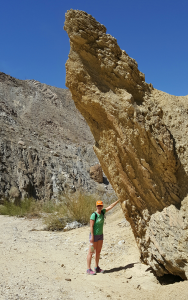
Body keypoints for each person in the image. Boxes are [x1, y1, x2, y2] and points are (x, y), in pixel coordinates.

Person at [86, 199, 120, 275]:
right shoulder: (94, 215)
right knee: (91, 252)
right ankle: (88, 269)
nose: (99, 207)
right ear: (96, 206)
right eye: (98, 205)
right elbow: (91, 226)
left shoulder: (103, 212)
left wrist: (118, 200)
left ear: (102, 206)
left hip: (100, 235)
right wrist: (92, 237)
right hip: (93, 236)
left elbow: (111, 206)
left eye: (100, 205)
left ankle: (96, 267)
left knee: (98, 252)